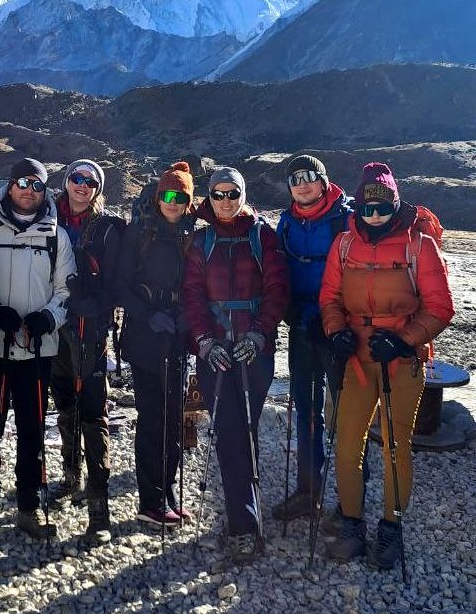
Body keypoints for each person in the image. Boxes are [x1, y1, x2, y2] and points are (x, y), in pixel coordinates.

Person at [319, 163, 454, 568]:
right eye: (366, 209)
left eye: (383, 209)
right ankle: (352, 526)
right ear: (356, 207)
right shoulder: (343, 245)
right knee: (346, 445)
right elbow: (329, 297)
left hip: (401, 363)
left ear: (396, 206)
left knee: (396, 448)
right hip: (356, 361)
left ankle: (391, 529)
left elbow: (440, 307)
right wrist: (336, 330)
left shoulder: (420, 247)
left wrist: (403, 340)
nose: (374, 217)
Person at [182, 167, 288, 562]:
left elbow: (278, 290)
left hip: (254, 349)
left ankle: (245, 511)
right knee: (230, 431)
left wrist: (260, 334)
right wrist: (206, 341)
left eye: (233, 193)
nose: (226, 201)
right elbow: (191, 295)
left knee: (243, 428)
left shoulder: (263, 236)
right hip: (215, 351)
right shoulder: (200, 240)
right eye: (219, 194)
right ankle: (244, 523)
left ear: (244, 194)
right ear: (209, 197)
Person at [0, 158, 76, 540]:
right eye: (21, 183)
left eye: (36, 184)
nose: (28, 191)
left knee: (32, 429)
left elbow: (66, 290)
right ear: (9, 185)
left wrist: (49, 318)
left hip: (36, 349)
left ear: (45, 191)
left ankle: (29, 506)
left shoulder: (55, 236)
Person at [115, 161, 195, 528]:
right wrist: (149, 314)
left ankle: (168, 490)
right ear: (158, 196)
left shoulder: (192, 235)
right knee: (152, 418)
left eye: (180, 196)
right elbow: (120, 286)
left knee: (174, 418)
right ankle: (151, 499)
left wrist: (186, 316)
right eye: (167, 195)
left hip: (176, 337)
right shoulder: (139, 234)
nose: (173, 202)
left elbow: (198, 285)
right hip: (144, 337)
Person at [274, 154, 353, 522]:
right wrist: (285, 308)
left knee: (348, 416)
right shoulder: (287, 223)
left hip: (340, 331)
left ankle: (351, 503)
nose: (302, 184)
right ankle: (309, 490)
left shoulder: (346, 218)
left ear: (323, 181)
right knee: (307, 411)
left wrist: (335, 318)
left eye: (310, 177)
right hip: (303, 327)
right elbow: (277, 271)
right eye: (295, 179)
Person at [51, 159, 123, 543]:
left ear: (98, 188)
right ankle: (69, 473)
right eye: (77, 178)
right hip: (56, 325)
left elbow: (121, 278)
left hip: (91, 330)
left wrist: (99, 305)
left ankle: (100, 505)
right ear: (67, 183)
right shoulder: (47, 218)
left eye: (90, 181)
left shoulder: (109, 229)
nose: (83, 185)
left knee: (94, 412)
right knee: (64, 402)